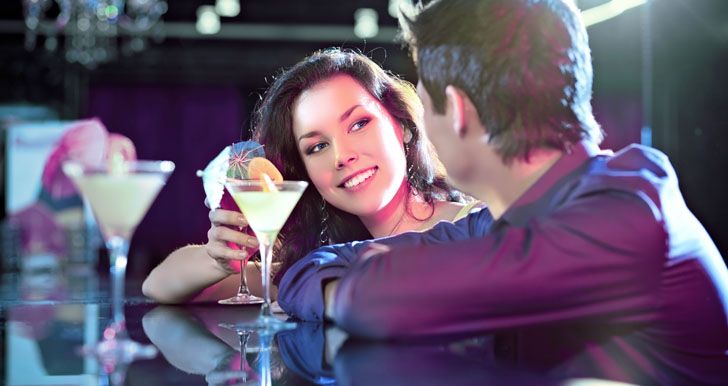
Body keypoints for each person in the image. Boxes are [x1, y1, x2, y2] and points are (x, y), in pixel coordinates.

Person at [276, 1, 728, 381]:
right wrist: (373, 278)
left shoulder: (625, 213)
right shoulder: (505, 221)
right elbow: (307, 273)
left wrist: (373, 279)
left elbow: (374, 302)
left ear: (455, 110)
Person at [142, 49, 478, 304]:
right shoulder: (322, 262)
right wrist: (217, 258)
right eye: (317, 147)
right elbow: (158, 285)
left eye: (359, 124)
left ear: (402, 126)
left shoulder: (480, 226)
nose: (342, 156)